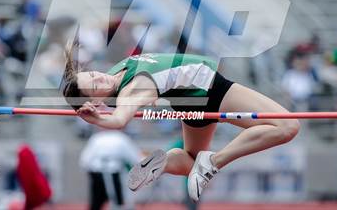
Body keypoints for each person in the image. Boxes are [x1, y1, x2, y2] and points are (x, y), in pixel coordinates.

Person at [62, 49, 300, 202]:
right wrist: (97, 118)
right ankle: (215, 161)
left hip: (188, 101)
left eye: (92, 74)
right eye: (94, 86)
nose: (99, 77)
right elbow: (120, 119)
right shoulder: (132, 90)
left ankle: (164, 162)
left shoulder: (116, 74)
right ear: (96, 100)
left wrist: (96, 110)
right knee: (288, 126)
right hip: (210, 90)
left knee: (190, 163)